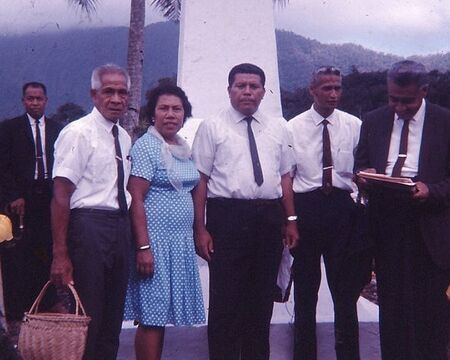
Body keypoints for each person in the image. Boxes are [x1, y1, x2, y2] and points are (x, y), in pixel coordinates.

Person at [192, 63, 299, 359]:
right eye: (241, 86)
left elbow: (285, 176)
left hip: (267, 218)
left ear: (264, 92)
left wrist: (290, 220)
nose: (248, 92)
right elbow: (200, 179)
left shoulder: (278, 127)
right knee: (226, 303)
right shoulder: (212, 126)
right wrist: (200, 229)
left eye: (254, 86)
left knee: (261, 301)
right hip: (227, 218)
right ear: (229, 90)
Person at [355, 60, 450, 360]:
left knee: (432, 312)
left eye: (406, 101)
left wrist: (431, 191)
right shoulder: (373, 120)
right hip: (386, 226)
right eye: (392, 98)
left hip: (429, 227)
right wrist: (365, 175)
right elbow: (360, 163)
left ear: (424, 91)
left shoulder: (444, 122)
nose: (398, 107)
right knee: (393, 311)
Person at [287, 66, 370, 360]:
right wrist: (292, 220)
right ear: (313, 90)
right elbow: (287, 175)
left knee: (345, 292)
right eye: (327, 88)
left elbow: (363, 170)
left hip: (342, 211)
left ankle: (348, 355)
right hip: (306, 209)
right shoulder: (293, 128)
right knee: (306, 293)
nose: (333, 94)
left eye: (337, 88)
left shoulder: (354, 125)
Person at [50, 64, 132, 359]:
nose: (116, 98)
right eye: (108, 91)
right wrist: (60, 254)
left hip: (120, 228)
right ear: (93, 94)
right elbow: (61, 195)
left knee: (112, 319)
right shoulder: (78, 133)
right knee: (88, 315)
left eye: (122, 92)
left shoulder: (123, 137)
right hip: (89, 228)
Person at [124, 84, 205, 360]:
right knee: (151, 316)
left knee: (159, 315)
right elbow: (135, 197)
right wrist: (143, 247)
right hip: (155, 245)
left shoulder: (182, 148)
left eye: (176, 109)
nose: (170, 114)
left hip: (178, 243)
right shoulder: (147, 146)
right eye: (164, 108)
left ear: (185, 114)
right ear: (153, 114)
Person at [0, 82, 62, 325]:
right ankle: (17, 316)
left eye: (39, 98)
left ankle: (45, 311)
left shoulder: (59, 129)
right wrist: (13, 195)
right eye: (30, 98)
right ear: (23, 101)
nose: (34, 103)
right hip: (20, 200)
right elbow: (2, 166)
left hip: (49, 197)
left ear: (46, 101)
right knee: (17, 257)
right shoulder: (9, 129)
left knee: (46, 252)